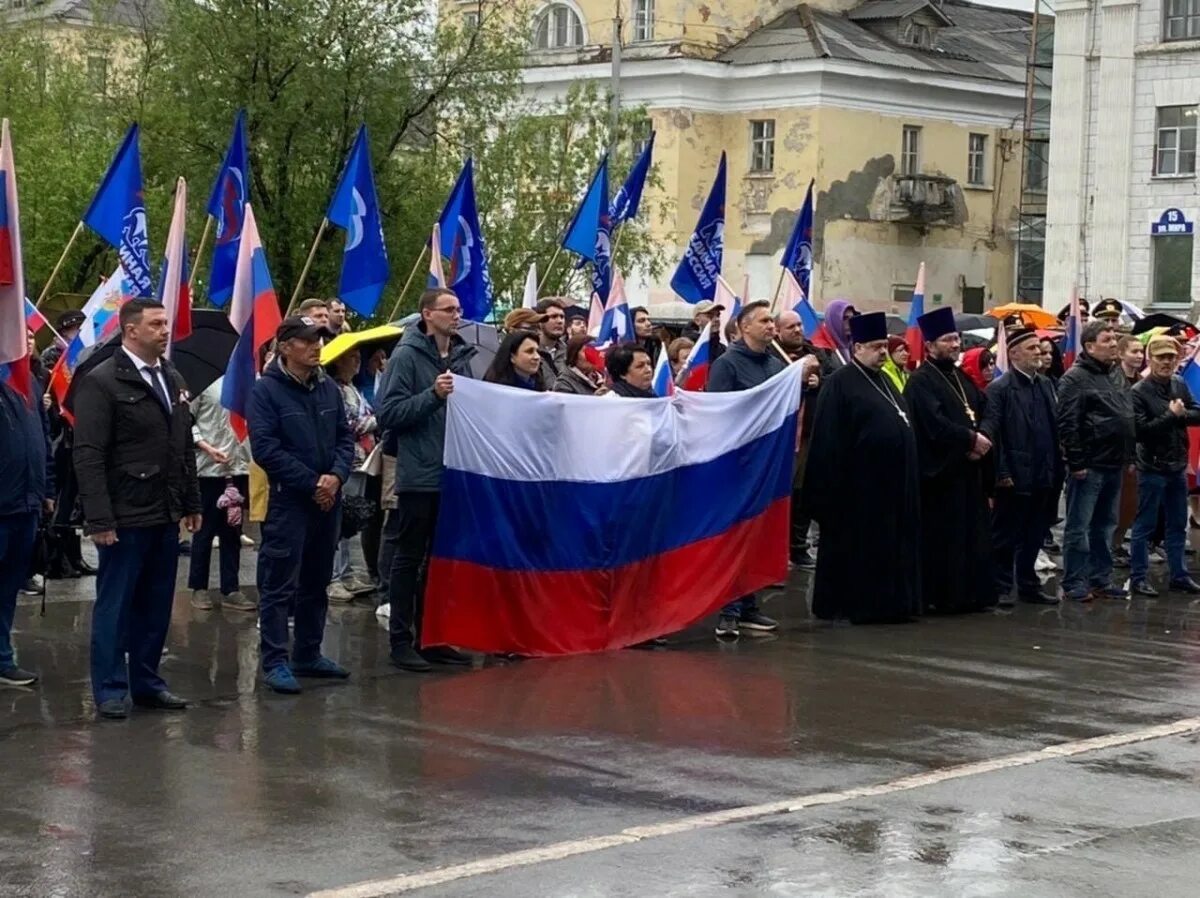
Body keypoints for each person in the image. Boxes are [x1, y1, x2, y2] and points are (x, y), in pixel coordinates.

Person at [73, 299, 202, 719]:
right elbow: (88, 454)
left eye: (166, 323)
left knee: (155, 603)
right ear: (131, 330)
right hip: (124, 513)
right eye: (156, 324)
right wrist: (99, 518)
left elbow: (182, 446)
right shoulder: (103, 381)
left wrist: (190, 501)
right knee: (116, 603)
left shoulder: (172, 376)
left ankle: (146, 681)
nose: (166, 330)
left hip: (163, 511)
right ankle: (110, 688)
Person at [249, 315, 356, 694]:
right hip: (289, 502)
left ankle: (308, 652)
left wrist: (337, 476)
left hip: (328, 501)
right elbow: (266, 449)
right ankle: (275, 660)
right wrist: (312, 482)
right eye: (308, 340)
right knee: (279, 584)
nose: (317, 346)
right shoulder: (266, 391)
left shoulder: (327, 387)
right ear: (284, 346)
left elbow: (345, 437)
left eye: (320, 339)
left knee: (317, 579)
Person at [377, 287, 477, 672]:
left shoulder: (461, 355)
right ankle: (400, 640)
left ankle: (431, 637)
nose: (457, 315)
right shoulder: (406, 356)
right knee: (409, 557)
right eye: (449, 309)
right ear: (427, 314)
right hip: (419, 472)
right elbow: (389, 413)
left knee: (439, 562)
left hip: (453, 470)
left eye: (459, 308)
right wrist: (433, 395)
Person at [803, 311, 921, 624]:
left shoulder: (884, 380)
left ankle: (891, 604)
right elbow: (827, 441)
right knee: (858, 551)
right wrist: (828, 494)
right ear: (857, 348)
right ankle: (855, 607)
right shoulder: (840, 384)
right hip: (857, 491)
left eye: (885, 345)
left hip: (891, 488)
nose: (883, 351)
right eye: (876, 346)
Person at [905, 306, 996, 614]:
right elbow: (933, 423)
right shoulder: (920, 381)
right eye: (947, 340)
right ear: (930, 345)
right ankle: (943, 597)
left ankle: (972, 594)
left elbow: (983, 410)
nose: (955, 345)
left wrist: (982, 435)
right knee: (945, 539)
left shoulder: (961, 377)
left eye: (956, 338)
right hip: (942, 475)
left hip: (969, 472)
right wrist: (970, 441)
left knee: (972, 534)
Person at [708, 301, 786, 637]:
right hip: (736, 466)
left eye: (772, 320)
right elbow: (718, 414)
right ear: (744, 328)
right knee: (734, 538)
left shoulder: (774, 364)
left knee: (755, 537)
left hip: (765, 465)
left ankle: (750, 606)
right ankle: (728, 610)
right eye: (764, 321)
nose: (771, 326)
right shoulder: (727, 365)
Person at [1056, 319, 1136, 602]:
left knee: (1106, 525)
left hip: (1115, 462)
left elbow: (1127, 415)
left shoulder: (1115, 373)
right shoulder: (1074, 378)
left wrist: (1130, 455)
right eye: (1107, 339)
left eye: (1115, 338)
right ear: (1090, 346)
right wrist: (1077, 463)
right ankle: (1074, 581)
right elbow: (1068, 423)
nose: (1114, 343)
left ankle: (1100, 578)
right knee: (1079, 526)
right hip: (1089, 465)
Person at [983, 327, 1061, 607]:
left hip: (1043, 472)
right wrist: (1001, 472)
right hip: (1015, 474)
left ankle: (1028, 584)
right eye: (1031, 349)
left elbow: (1053, 428)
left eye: (1039, 348)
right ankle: (1001, 585)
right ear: (1014, 353)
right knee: (1005, 534)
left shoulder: (1045, 385)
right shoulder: (999, 389)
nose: (1038, 353)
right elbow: (994, 433)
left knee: (1035, 533)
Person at [1129, 335, 1200, 596]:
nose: (1167, 362)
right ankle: (1138, 577)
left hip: (1177, 464)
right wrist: (1171, 416)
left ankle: (1179, 574)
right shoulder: (1138, 391)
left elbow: (1197, 412)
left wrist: (1180, 415)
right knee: (1144, 525)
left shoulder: (1179, 383)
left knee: (1177, 523)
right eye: (1161, 357)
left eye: (1171, 357)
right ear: (1151, 359)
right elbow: (1141, 431)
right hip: (1152, 467)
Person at [0, 367, 55, 686]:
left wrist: (47, 488)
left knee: (8, 588)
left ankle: (3, 658)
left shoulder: (27, 380)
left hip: (26, 504)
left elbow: (42, 437)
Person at [187, 376, 255, 612]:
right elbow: (187, 420)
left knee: (233, 530)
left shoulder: (247, 379)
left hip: (239, 466)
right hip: (208, 469)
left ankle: (231, 588)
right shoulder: (203, 383)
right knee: (204, 531)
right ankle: (199, 587)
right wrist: (205, 446)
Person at [325, 347, 379, 603]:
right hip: (346, 462)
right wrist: (377, 420)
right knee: (339, 520)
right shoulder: (335, 390)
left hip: (361, 462)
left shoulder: (352, 388)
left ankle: (345, 573)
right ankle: (332, 577)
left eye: (360, 357)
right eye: (352, 358)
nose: (358, 362)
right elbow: (350, 424)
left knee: (350, 522)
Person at [775, 309, 820, 569]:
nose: (797, 330)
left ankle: (798, 546)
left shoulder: (816, 356)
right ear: (779, 331)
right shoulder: (772, 357)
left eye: (800, 325)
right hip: (782, 437)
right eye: (790, 326)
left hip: (806, 435)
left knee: (802, 494)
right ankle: (778, 549)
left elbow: (830, 381)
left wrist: (818, 381)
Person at [1111, 334, 1145, 567]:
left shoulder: (1141, 381)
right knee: (1118, 501)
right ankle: (1110, 545)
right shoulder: (1114, 380)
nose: (1139, 356)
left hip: (1138, 450)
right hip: (1118, 450)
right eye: (1134, 351)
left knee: (1131, 502)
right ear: (1121, 354)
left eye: (1141, 352)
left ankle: (1118, 542)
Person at [815, 300, 857, 374]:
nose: (850, 322)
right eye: (845, 318)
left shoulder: (854, 346)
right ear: (833, 320)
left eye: (852, 318)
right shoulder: (821, 349)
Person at [535, 298, 568, 389]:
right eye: (553, 317)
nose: (560, 321)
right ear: (540, 321)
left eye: (562, 317)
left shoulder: (569, 352)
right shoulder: (530, 352)